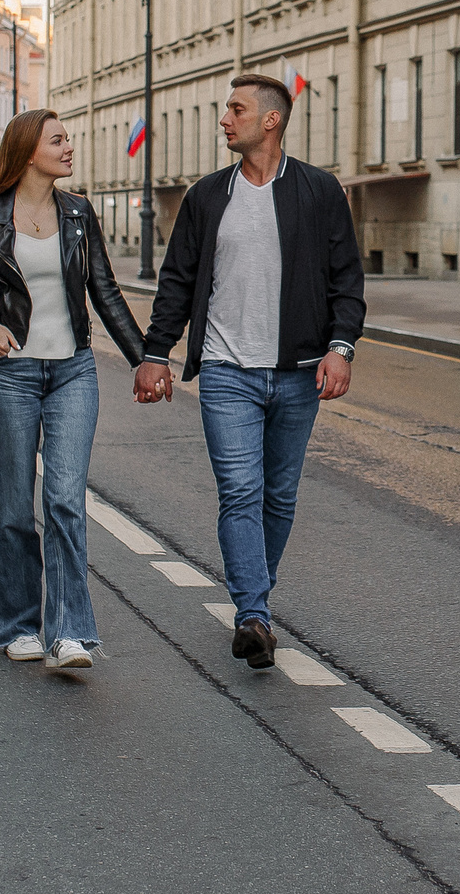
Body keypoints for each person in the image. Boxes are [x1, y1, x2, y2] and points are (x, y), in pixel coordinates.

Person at [134, 74, 364, 669]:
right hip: (226, 370)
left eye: (236, 109)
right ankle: (254, 615)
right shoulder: (207, 196)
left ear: (271, 121)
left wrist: (342, 347)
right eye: (225, 109)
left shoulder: (318, 191)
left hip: (298, 373)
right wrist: (155, 353)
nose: (224, 119)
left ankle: (255, 600)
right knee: (240, 491)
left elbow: (347, 281)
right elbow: (178, 281)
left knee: (278, 495)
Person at [0, 110, 144, 671]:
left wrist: (145, 358)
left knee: (64, 500)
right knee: (11, 509)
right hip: (13, 377)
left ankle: (70, 633)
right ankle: (16, 625)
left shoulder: (78, 213)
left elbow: (104, 289)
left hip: (73, 371)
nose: (69, 147)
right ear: (30, 151)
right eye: (58, 140)